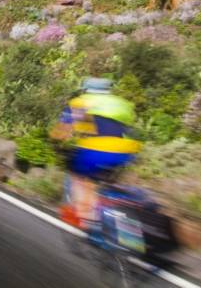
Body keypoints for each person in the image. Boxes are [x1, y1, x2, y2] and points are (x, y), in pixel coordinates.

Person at [51, 77, 140, 235]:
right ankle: (119, 220)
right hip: (126, 151)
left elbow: (63, 130)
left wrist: (55, 141)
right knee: (108, 182)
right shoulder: (121, 103)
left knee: (78, 176)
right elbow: (128, 129)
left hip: (95, 151)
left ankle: (87, 219)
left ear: (86, 89)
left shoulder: (80, 102)